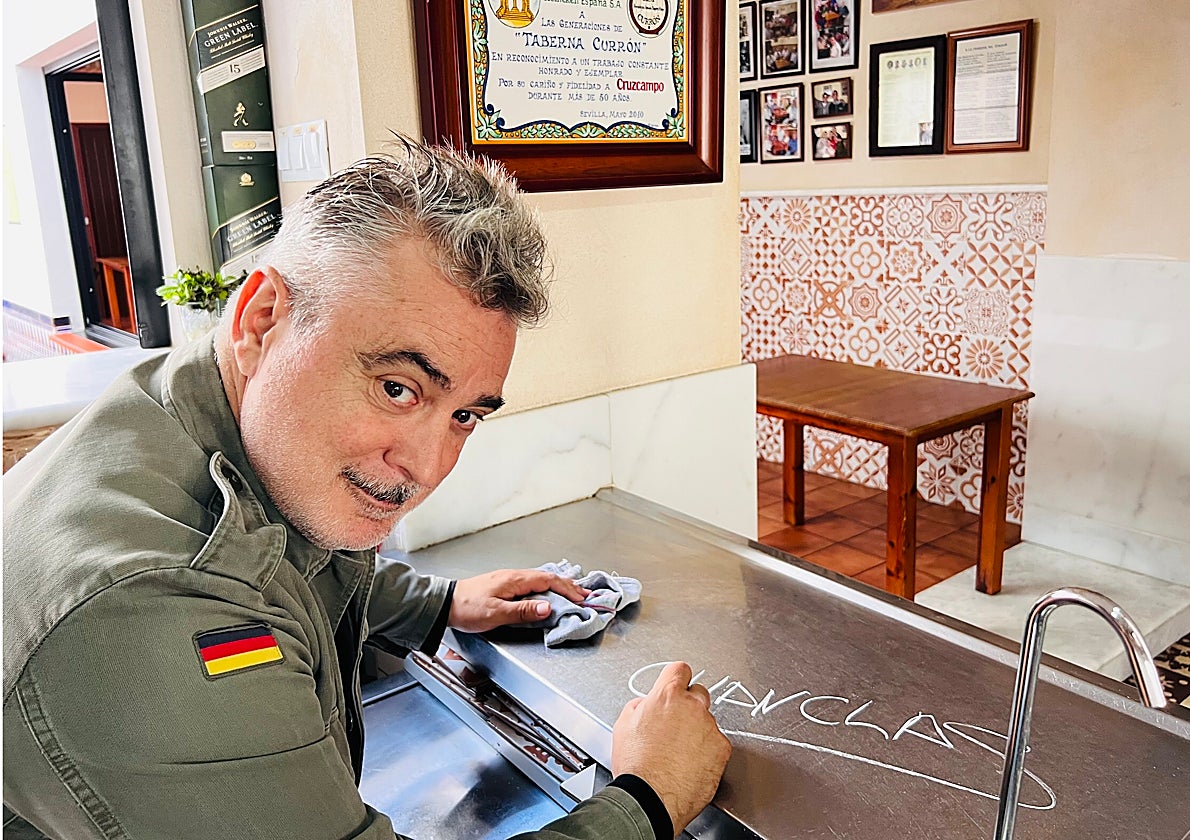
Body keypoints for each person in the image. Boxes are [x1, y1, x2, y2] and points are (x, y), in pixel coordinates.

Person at [2, 142, 732, 839]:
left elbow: (277, 550)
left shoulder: (196, 403)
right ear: (264, 319)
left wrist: (440, 604)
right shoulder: (146, 613)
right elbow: (215, 587)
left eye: (465, 416)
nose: (427, 468)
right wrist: (650, 798)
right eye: (397, 387)